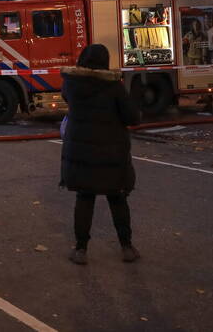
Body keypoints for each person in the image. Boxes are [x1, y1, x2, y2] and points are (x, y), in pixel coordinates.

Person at [59, 44, 142, 265]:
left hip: (81, 152)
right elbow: (132, 117)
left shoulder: (71, 84)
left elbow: (68, 100)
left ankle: (80, 249)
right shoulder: (113, 86)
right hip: (111, 153)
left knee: (84, 199)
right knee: (117, 198)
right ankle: (126, 247)